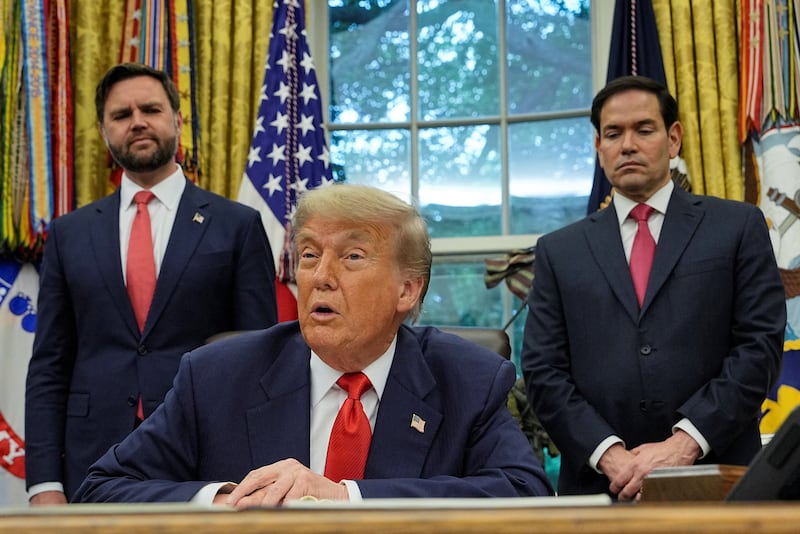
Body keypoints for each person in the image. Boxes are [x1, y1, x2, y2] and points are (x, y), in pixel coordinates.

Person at [73, 183, 554, 505]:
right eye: (308, 254)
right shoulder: (216, 374)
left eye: (352, 256)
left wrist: (345, 498)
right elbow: (102, 488)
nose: (320, 277)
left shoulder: (467, 377)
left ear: (407, 290)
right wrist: (225, 501)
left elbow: (526, 493)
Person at [521, 75, 786, 500]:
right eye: (613, 133)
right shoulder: (558, 251)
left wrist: (683, 445)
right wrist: (611, 456)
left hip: (720, 481)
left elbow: (759, 347)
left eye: (644, 129)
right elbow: (543, 370)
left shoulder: (736, 227)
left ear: (674, 138)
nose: (628, 144)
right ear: (598, 147)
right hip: (603, 489)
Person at [25, 63, 279, 504]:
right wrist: (44, 484)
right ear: (104, 132)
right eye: (121, 115)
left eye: (151, 109)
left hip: (207, 453)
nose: (137, 121)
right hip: (90, 459)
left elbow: (259, 359)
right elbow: (49, 364)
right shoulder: (69, 234)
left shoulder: (237, 225)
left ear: (177, 120)